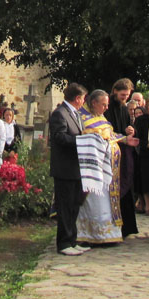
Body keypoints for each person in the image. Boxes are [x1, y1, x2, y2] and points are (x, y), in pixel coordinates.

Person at [77, 90, 138, 245]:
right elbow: (93, 142)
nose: (106, 108)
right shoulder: (83, 118)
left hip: (109, 172)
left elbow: (109, 136)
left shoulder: (100, 117)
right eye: (103, 105)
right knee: (96, 203)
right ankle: (93, 235)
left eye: (107, 105)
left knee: (108, 203)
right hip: (94, 171)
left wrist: (124, 140)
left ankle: (108, 235)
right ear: (94, 103)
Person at [50, 83, 89, 255]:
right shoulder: (60, 114)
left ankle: (72, 240)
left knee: (74, 205)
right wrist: (81, 141)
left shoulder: (76, 114)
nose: (83, 102)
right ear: (77, 98)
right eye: (83, 98)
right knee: (65, 207)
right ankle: (64, 243)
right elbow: (59, 137)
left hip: (76, 168)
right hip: (64, 168)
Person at [104, 78, 139, 238]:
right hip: (110, 153)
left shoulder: (124, 108)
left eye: (127, 95)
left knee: (125, 186)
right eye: (123, 95)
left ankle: (127, 227)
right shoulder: (107, 107)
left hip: (123, 153)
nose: (125, 98)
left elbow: (124, 129)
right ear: (115, 92)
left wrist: (130, 130)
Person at [133, 95, 149, 214]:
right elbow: (137, 137)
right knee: (146, 180)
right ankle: (147, 205)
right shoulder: (140, 120)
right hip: (145, 154)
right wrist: (146, 144)